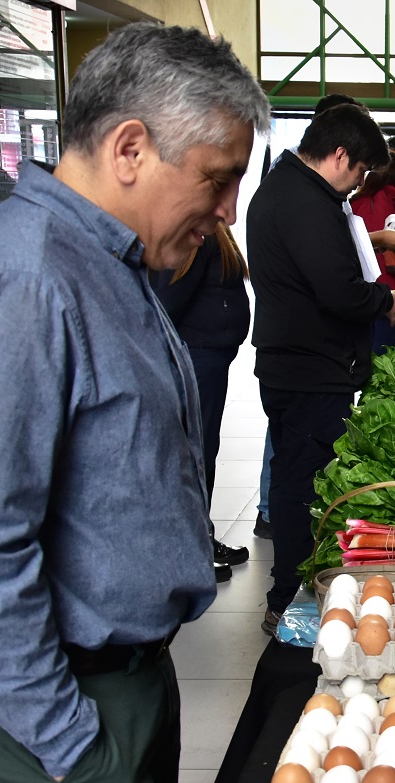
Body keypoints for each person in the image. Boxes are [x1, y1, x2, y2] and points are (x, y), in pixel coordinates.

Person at [0, 24, 269, 783]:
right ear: (130, 148)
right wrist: (69, 742)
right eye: (217, 181)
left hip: (121, 677)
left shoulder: (107, 263)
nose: (227, 213)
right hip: (63, 701)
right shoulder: (21, 281)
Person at [248, 104, 395, 635]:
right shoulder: (303, 201)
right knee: (302, 488)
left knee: (304, 479)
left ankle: (296, 591)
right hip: (307, 370)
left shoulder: (294, 190)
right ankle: (288, 598)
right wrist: (380, 299)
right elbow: (336, 290)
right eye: (361, 170)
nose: (360, 183)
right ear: (340, 155)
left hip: (303, 365)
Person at [150, 224, 252, 578]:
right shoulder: (194, 235)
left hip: (211, 357)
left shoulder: (212, 231)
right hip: (198, 357)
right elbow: (168, 302)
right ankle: (193, 548)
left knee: (205, 448)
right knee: (196, 451)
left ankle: (201, 536)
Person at [350, 152, 395, 353]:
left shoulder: (354, 201)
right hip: (390, 285)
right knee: (386, 354)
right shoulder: (394, 199)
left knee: (365, 348)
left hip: (359, 286)